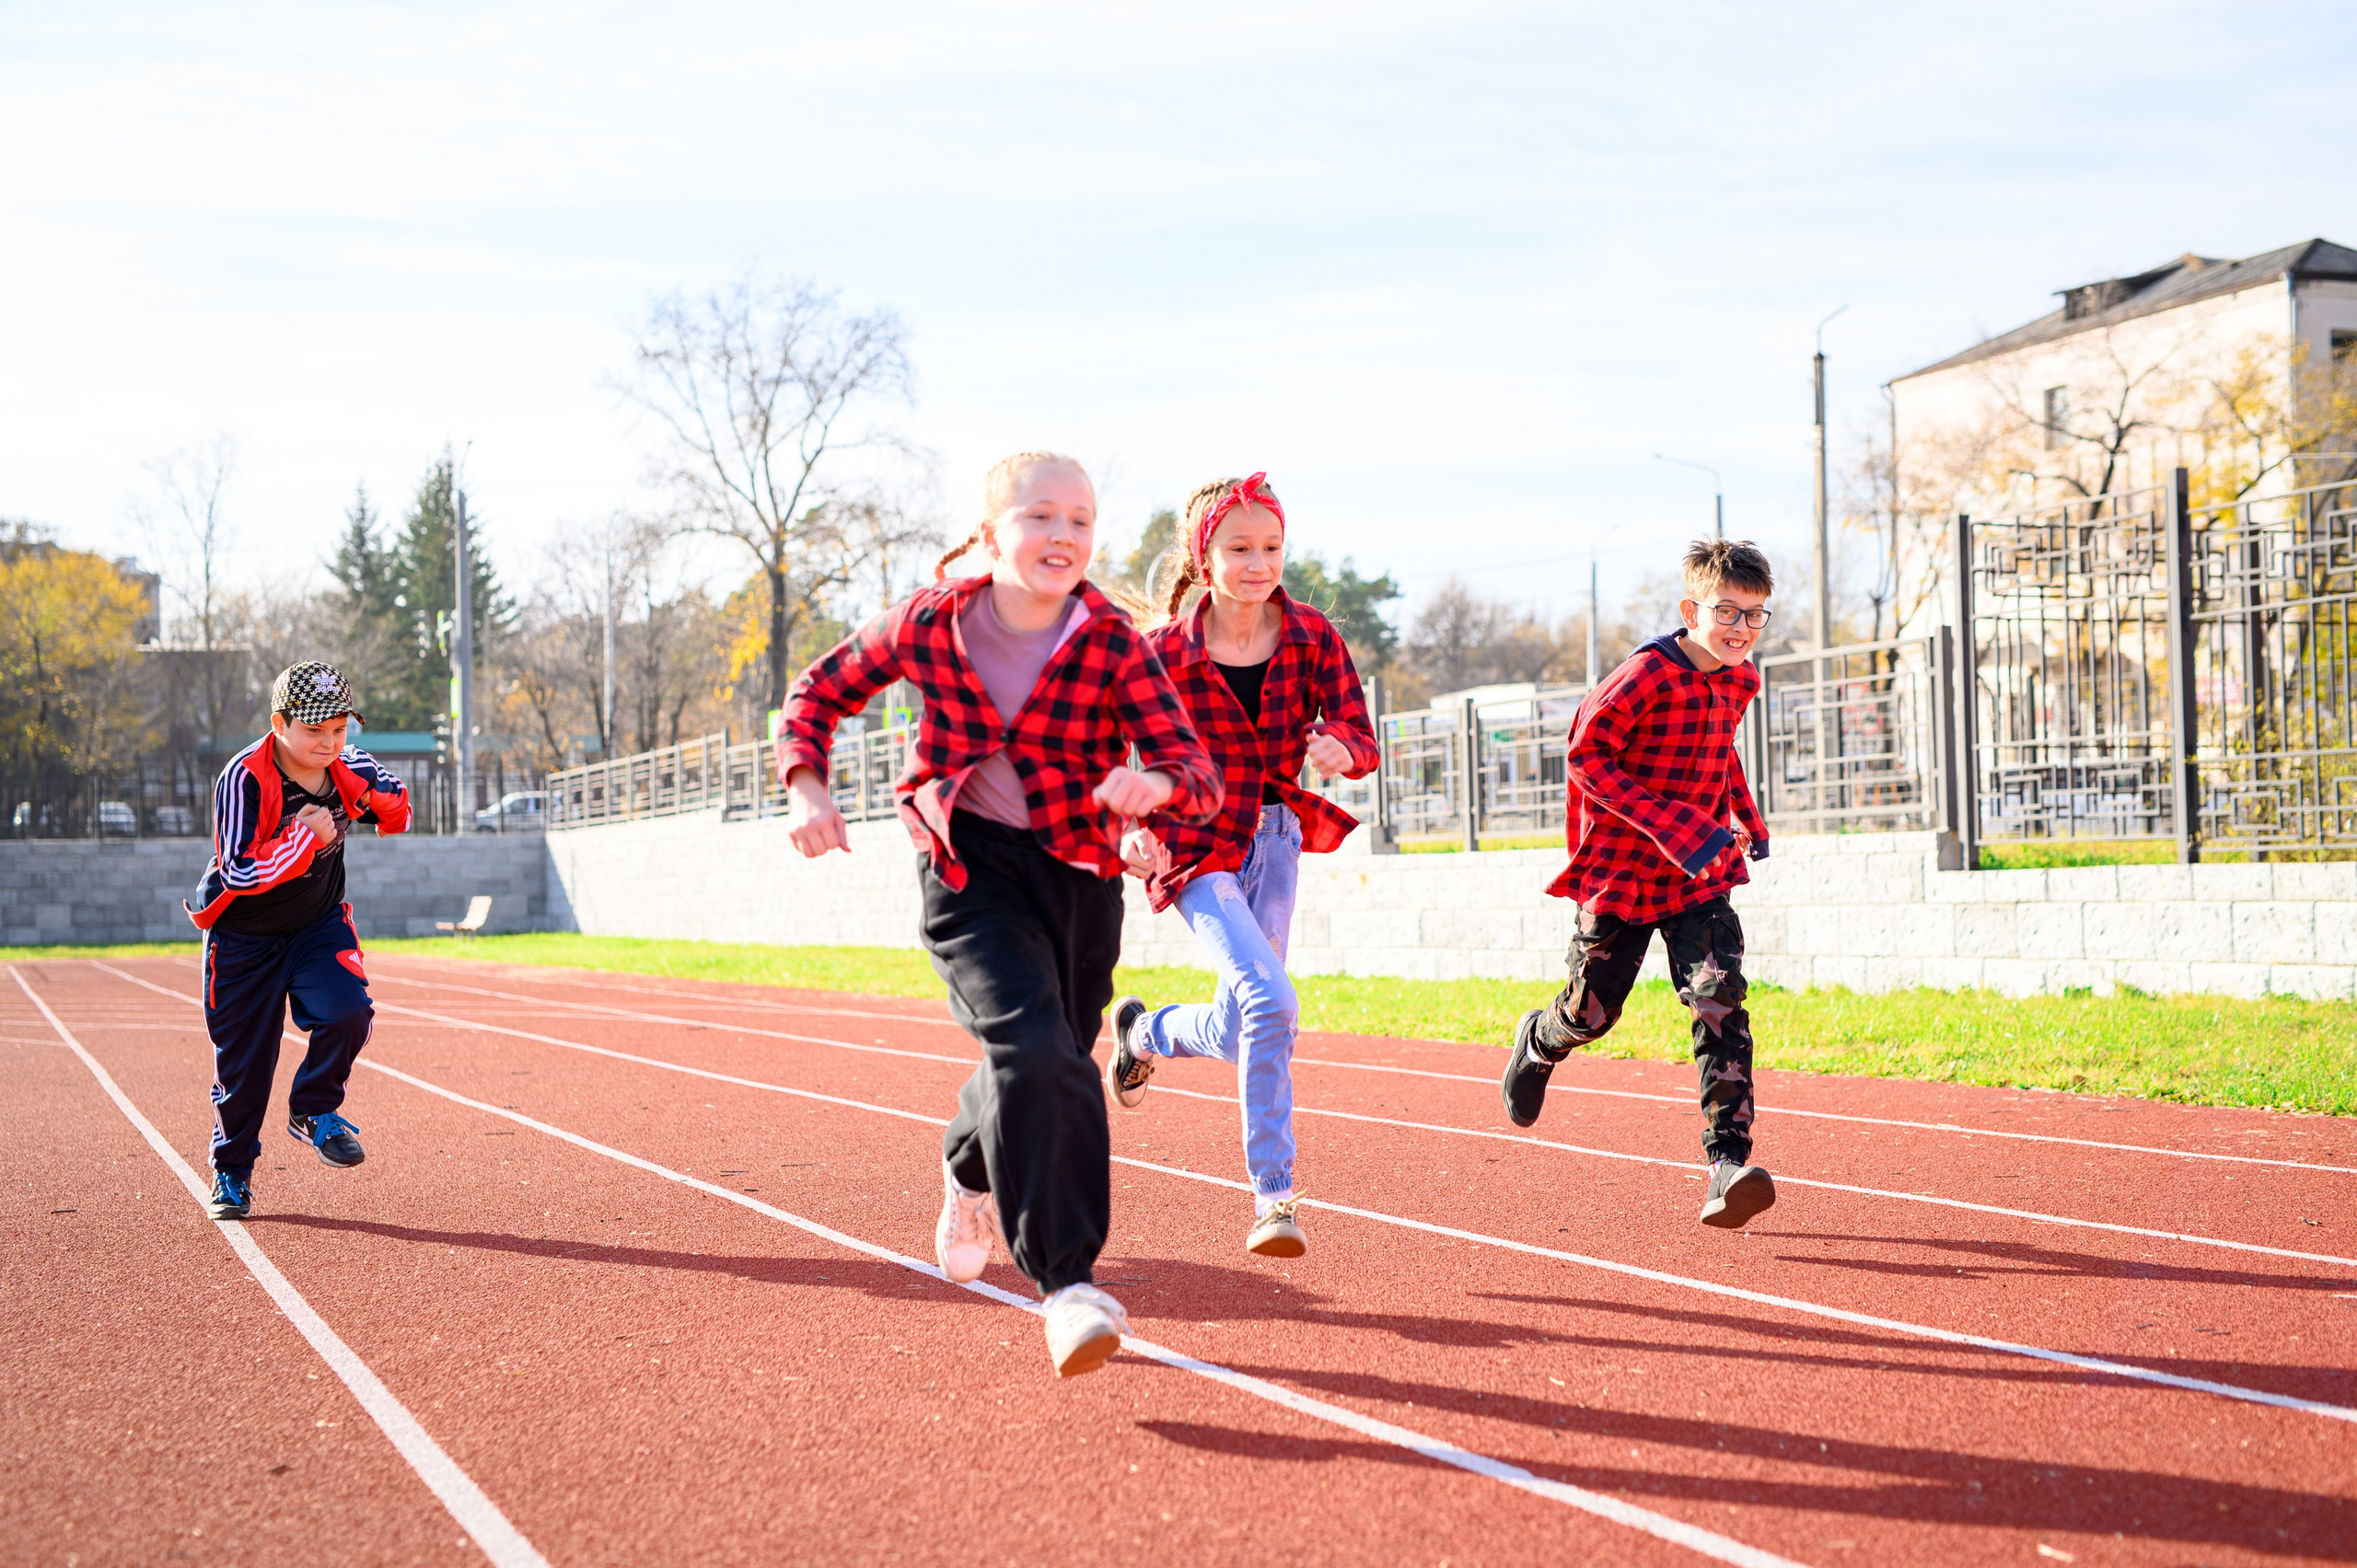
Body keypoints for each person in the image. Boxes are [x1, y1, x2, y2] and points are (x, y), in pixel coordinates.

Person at [776, 451, 1219, 1378]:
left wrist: (1157, 782)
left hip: (1078, 874)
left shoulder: (1110, 639)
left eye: (1080, 521)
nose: (1061, 535)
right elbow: (817, 693)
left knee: (1051, 1050)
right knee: (1034, 1050)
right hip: (968, 869)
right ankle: (1068, 1284)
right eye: (1039, 516)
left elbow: (1193, 764)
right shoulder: (931, 621)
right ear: (989, 536)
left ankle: (963, 1171)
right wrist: (807, 788)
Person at [1100, 473, 1378, 1258]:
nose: (1259, 564)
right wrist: (1122, 830)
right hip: (1192, 848)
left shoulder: (1313, 636)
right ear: (1205, 554)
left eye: (1272, 548)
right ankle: (1274, 1197)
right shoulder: (1159, 655)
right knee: (1270, 999)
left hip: (1277, 837)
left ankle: (1144, 1031)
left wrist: (1340, 746)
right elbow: (1108, 752)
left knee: (1238, 1024)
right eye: (1240, 548)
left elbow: (1361, 732)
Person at [1498, 538, 1779, 1229]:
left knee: (1719, 1000)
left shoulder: (1741, 679)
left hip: (1699, 874)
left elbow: (1719, 752)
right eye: (1727, 611)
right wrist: (1677, 824)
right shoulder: (1644, 674)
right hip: (1624, 870)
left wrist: (1744, 812)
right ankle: (1539, 1041)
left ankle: (1727, 1165)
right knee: (1592, 1013)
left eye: (1756, 614)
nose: (1741, 628)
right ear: (1691, 608)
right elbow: (1584, 757)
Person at [185, 661, 412, 1221]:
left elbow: (397, 812)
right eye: (314, 731)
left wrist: (388, 803)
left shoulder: (348, 768)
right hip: (245, 939)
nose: (329, 744)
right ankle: (232, 1173)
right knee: (245, 1071)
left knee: (349, 1014)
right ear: (279, 723)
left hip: (318, 925)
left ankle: (313, 1109)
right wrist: (304, 839)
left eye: (339, 730)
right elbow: (237, 870)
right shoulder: (243, 777)